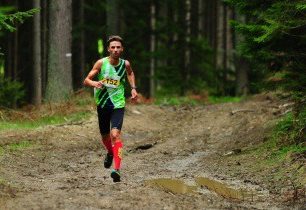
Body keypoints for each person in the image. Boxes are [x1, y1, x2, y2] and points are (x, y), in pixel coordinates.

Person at [83, 35, 138, 182]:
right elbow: (86, 80)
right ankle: (110, 152)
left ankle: (117, 170)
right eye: (112, 47)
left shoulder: (125, 64)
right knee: (105, 137)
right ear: (108, 49)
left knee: (115, 135)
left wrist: (133, 88)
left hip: (118, 104)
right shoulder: (101, 63)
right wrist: (94, 83)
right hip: (102, 104)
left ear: (122, 49)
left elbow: (130, 73)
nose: (115, 50)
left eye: (118, 47)